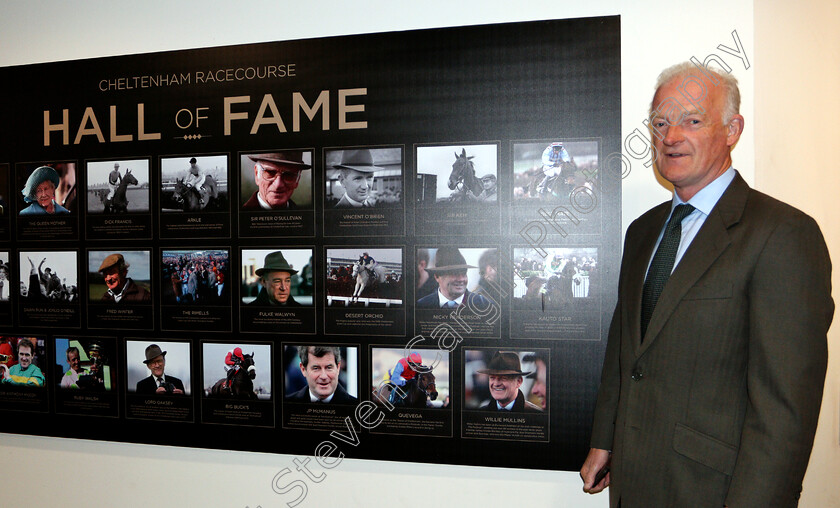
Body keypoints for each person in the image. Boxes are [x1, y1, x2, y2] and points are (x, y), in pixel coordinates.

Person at [580, 63, 834, 507]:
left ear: (732, 129)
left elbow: (785, 409)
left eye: (691, 121)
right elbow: (625, 350)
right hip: (635, 483)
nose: (671, 136)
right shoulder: (642, 232)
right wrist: (605, 438)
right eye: (660, 122)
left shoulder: (783, 234)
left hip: (714, 491)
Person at [416, 247, 491, 309]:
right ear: (437, 277)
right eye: (455, 274)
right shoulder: (422, 305)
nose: (461, 279)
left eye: (464, 274)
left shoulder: (484, 305)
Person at [286, 346, 357, 403]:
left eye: (329, 367)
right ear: (303, 369)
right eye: (316, 368)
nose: (323, 376)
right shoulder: (287, 405)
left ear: (338, 368)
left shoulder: (356, 408)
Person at [243, 152, 311, 210]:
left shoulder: (306, 219)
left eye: (288, 175)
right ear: (257, 174)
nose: (278, 184)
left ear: (297, 179)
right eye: (270, 173)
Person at [477, 351, 541, 412]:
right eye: (492, 378)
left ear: (519, 381)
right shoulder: (480, 414)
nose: (496, 384)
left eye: (503, 378)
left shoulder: (535, 414)